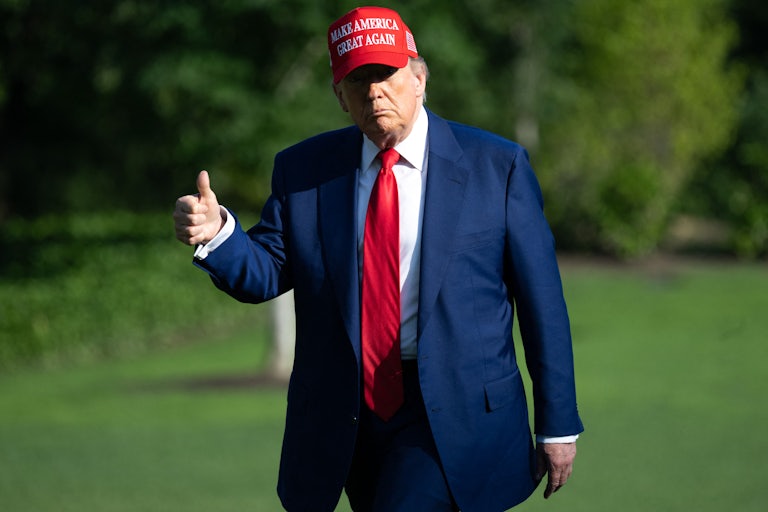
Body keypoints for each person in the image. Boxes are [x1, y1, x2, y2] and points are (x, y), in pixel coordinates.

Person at [173, 6, 583, 512]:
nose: (374, 92)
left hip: (454, 413)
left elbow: (542, 303)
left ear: (419, 79)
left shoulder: (497, 167)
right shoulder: (304, 170)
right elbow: (266, 271)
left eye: (385, 75)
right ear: (339, 98)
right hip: (347, 413)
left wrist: (557, 421)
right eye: (357, 80)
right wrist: (218, 235)